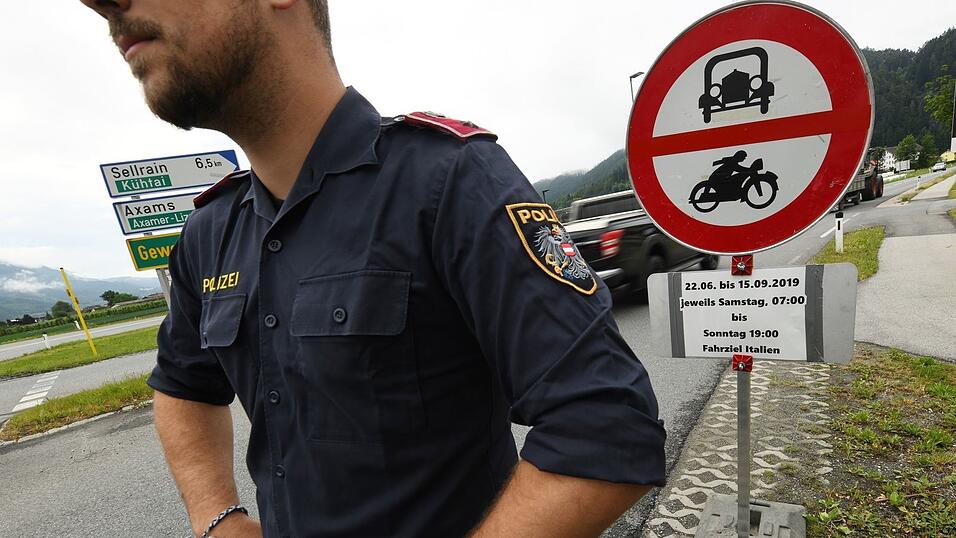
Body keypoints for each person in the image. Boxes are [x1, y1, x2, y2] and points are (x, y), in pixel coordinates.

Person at [80, 1, 666, 537]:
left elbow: (606, 424)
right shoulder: (209, 232)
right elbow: (182, 385)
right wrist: (218, 518)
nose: (98, 4)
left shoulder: (449, 182)